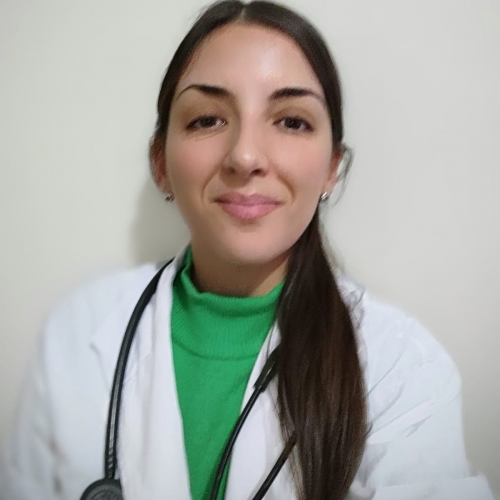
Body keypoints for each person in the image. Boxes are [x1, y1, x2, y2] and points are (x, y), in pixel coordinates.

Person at [0, 1, 495, 499]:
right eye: (207, 119)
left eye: (292, 121)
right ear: (161, 163)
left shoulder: (402, 368)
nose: (245, 155)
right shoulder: (75, 336)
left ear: (331, 168)